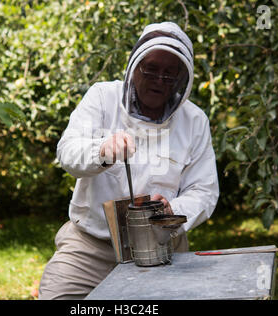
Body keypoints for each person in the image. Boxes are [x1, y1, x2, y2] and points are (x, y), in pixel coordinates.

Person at [38, 21, 219, 300]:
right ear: (134, 67)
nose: (160, 80)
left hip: (162, 246)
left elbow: (204, 191)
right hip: (91, 246)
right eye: (151, 68)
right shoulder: (102, 97)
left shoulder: (194, 121)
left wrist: (173, 209)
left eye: (170, 74)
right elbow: (68, 153)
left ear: (182, 79)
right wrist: (102, 150)